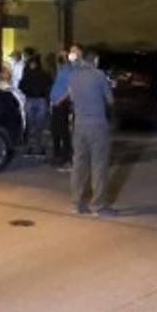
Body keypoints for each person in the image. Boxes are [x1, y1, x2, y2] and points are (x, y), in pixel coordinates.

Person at [58, 46, 115, 216]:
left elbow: (72, 98)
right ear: (95, 59)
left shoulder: (73, 76)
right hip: (97, 124)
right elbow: (110, 100)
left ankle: (76, 203)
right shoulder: (99, 75)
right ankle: (98, 206)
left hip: (79, 125)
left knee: (79, 165)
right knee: (99, 165)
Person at [18, 54, 53, 157]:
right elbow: (48, 87)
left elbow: (21, 86)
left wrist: (27, 92)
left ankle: (30, 148)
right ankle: (39, 148)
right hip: (41, 100)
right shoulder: (44, 74)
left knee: (30, 125)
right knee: (39, 126)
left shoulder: (27, 74)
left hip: (30, 100)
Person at [50, 48, 75, 169]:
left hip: (61, 104)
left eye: (64, 55)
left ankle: (66, 157)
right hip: (55, 103)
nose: (61, 56)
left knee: (63, 131)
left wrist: (59, 101)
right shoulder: (60, 68)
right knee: (55, 131)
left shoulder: (69, 70)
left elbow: (70, 90)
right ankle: (58, 155)